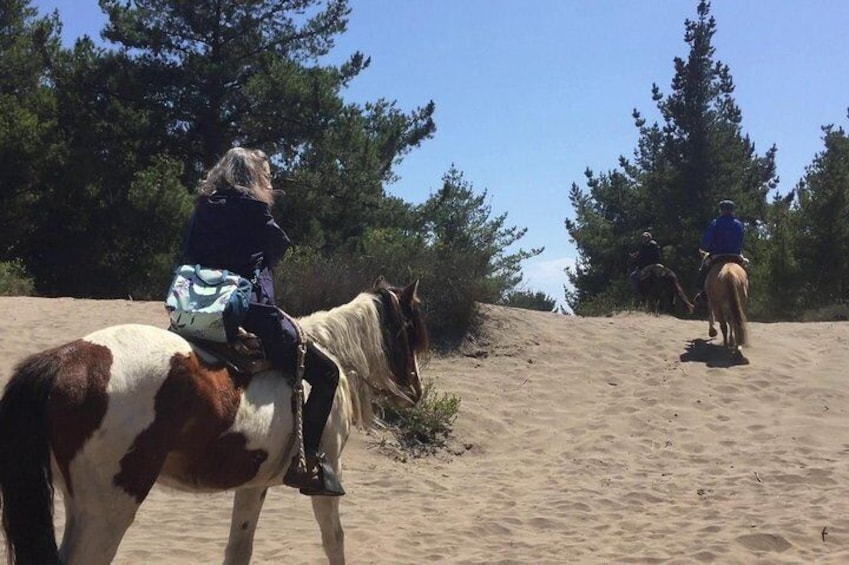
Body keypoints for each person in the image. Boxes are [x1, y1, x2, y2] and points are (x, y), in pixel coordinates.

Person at [181, 147, 345, 497]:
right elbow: (277, 247)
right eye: (266, 175)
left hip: (193, 306)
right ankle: (306, 463)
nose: (269, 181)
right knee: (326, 373)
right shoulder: (254, 209)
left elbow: (190, 254)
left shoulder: (203, 206)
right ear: (253, 176)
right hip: (247, 310)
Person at [693, 199, 745, 303]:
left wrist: (706, 248)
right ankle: (746, 288)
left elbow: (707, 240)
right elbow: (741, 239)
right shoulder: (739, 224)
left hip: (718, 255)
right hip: (735, 255)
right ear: (732, 211)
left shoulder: (715, 223)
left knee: (703, 269)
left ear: (721, 211)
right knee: (746, 269)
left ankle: (702, 293)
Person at [629, 231, 663, 296]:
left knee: (633, 276)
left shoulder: (647, 246)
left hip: (649, 266)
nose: (643, 239)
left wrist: (636, 258)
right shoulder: (655, 245)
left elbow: (644, 258)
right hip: (658, 265)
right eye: (643, 238)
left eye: (644, 238)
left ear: (648, 238)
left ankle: (637, 295)